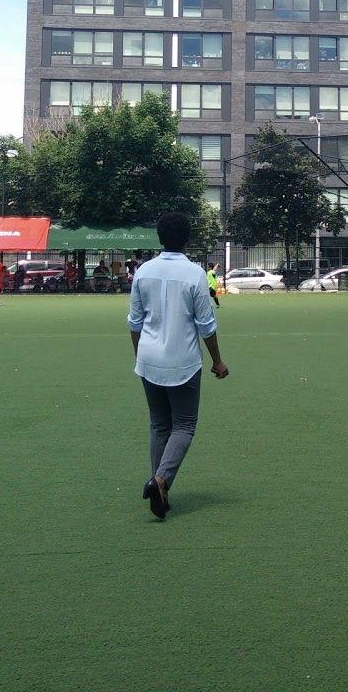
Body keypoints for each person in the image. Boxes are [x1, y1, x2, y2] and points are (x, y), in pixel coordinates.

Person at [127, 212, 228, 520]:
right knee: (184, 425)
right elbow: (206, 325)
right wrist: (218, 361)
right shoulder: (194, 273)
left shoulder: (144, 271)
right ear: (187, 239)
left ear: (160, 238)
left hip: (148, 359)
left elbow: (135, 322)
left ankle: (161, 490)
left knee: (159, 424)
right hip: (183, 361)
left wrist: (140, 355)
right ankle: (161, 480)